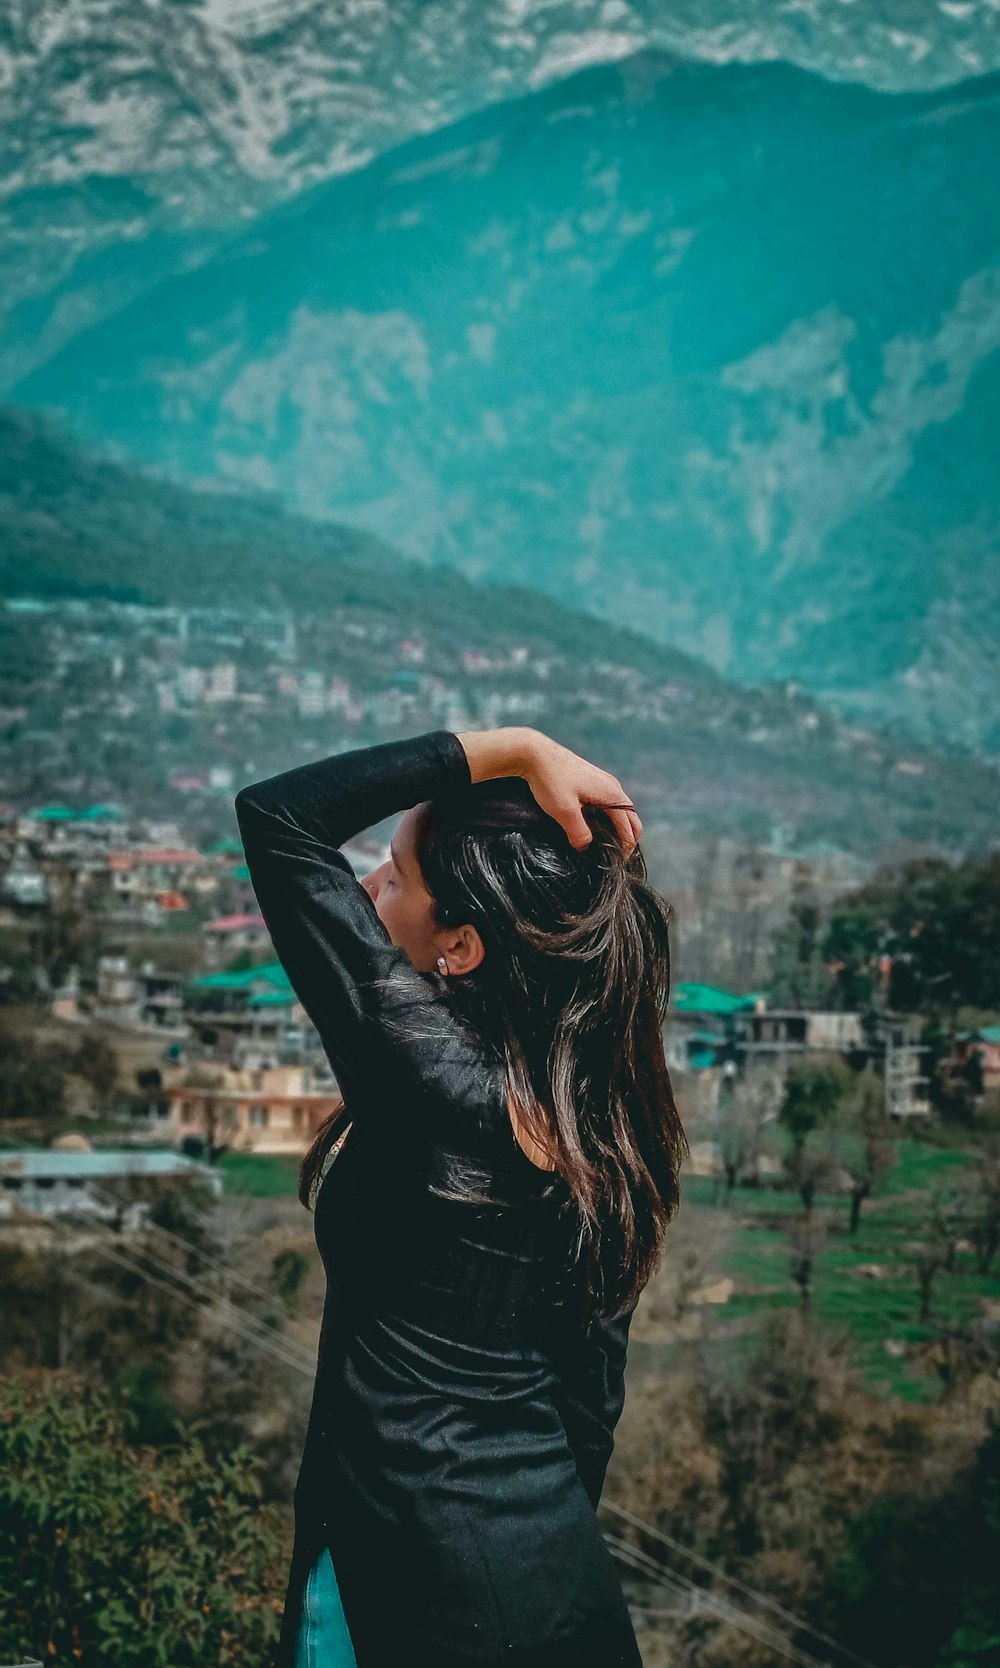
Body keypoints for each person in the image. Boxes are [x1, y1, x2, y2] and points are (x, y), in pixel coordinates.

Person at [234, 725, 689, 1667]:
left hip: (394, 1586)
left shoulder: (433, 1086)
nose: (366, 893)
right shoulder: (607, 1125)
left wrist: (511, 747)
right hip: (561, 1594)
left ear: (464, 946)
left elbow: (280, 818)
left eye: (395, 878)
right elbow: (588, 1406)